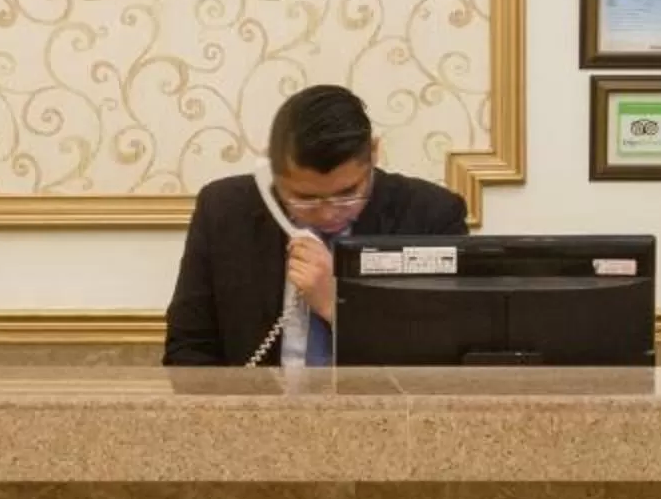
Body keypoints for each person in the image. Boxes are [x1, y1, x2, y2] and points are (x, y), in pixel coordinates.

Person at [163, 84, 468, 366]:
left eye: (348, 193)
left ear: (373, 154)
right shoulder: (224, 211)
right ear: (271, 170)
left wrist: (338, 307)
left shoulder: (431, 215)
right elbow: (188, 349)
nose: (327, 214)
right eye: (305, 198)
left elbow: (447, 354)